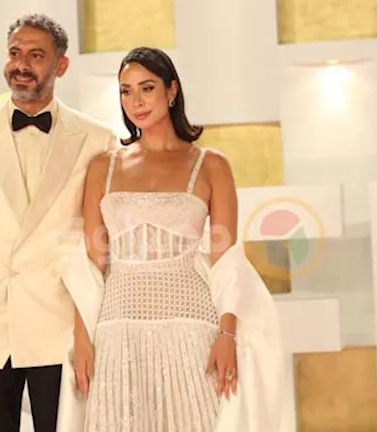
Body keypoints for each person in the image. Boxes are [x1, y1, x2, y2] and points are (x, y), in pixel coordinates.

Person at [58, 47, 285, 431]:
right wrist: (82, 340)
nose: (136, 101)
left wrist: (227, 334)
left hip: (191, 325)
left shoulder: (211, 165)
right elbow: (92, 262)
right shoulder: (103, 166)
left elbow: (227, 259)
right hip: (117, 328)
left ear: (172, 90)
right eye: (126, 91)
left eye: (147, 88)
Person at [0, 13, 117, 432]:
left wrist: (92, 321)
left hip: (61, 324)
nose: (21, 64)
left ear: (61, 66)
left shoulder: (97, 139)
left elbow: (101, 240)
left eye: (36, 55)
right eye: (15, 53)